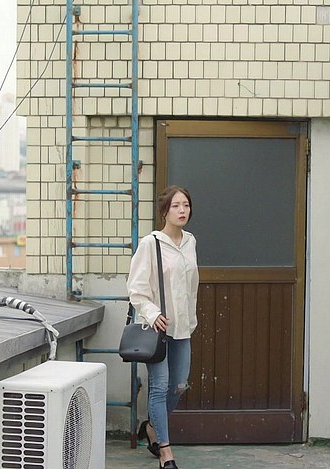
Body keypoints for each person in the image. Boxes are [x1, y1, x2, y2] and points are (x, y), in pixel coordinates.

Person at [127, 185, 199, 469]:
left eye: (186, 205)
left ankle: (152, 427)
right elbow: (136, 290)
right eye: (176, 206)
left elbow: (191, 286)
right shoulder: (151, 244)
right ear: (164, 211)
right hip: (156, 328)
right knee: (159, 386)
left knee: (178, 386)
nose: (182, 210)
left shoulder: (191, 242)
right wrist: (152, 313)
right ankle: (166, 452)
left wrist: (190, 318)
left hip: (183, 327)